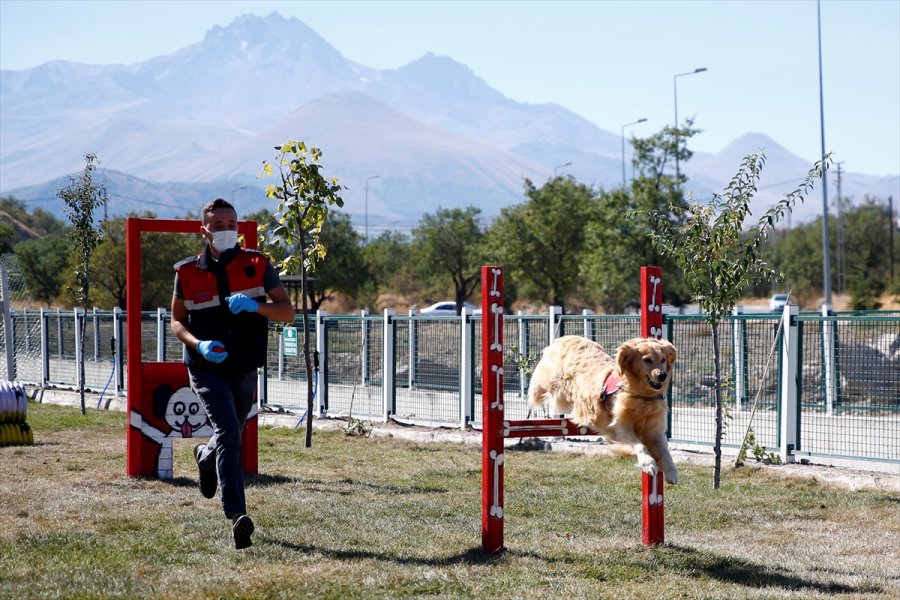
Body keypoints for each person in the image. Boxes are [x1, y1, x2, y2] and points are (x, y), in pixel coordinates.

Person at [171, 198, 294, 549]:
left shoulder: (258, 264)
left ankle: (205, 456)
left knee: (232, 432)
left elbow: (287, 313)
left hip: (244, 364)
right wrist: (198, 345)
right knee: (228, 429)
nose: (226, 229)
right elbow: (177, 320)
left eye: (231, 223)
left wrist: (257, 306)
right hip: (205, 366)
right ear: (204, 230)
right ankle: (237, 515)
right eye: (218, 224)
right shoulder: (187, 272)